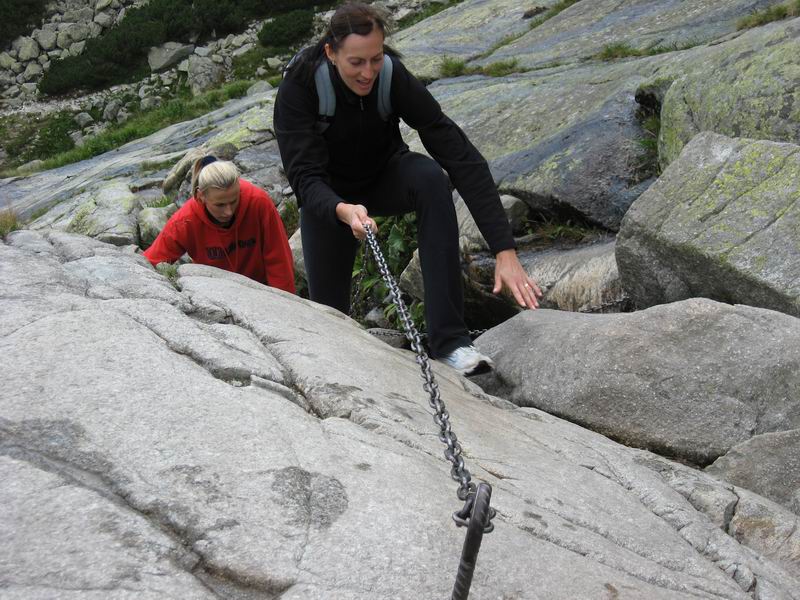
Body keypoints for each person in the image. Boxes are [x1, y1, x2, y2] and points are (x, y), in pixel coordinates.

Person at [273, 2, 541, 375]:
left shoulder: (391, 76)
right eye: (356, 62)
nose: (368, 73)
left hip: (385, 175)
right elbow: (304, 177)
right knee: (331, 321)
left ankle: (451, 343)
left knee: (430, 178)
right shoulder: (300, 86)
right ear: (331, 52)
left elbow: (459, 154)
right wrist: (343, 210)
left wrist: (504, 250)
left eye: (376, 59)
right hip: (329, 197)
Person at [144, 156, 296, 294]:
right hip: (215, 295)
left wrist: (285, 303)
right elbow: (149, 264)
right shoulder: (184, 221)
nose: (228, 211)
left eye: (234, 201)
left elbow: (279, 258)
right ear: (200, 196)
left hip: (262, 290)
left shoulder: (258, 202)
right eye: (220, 205)